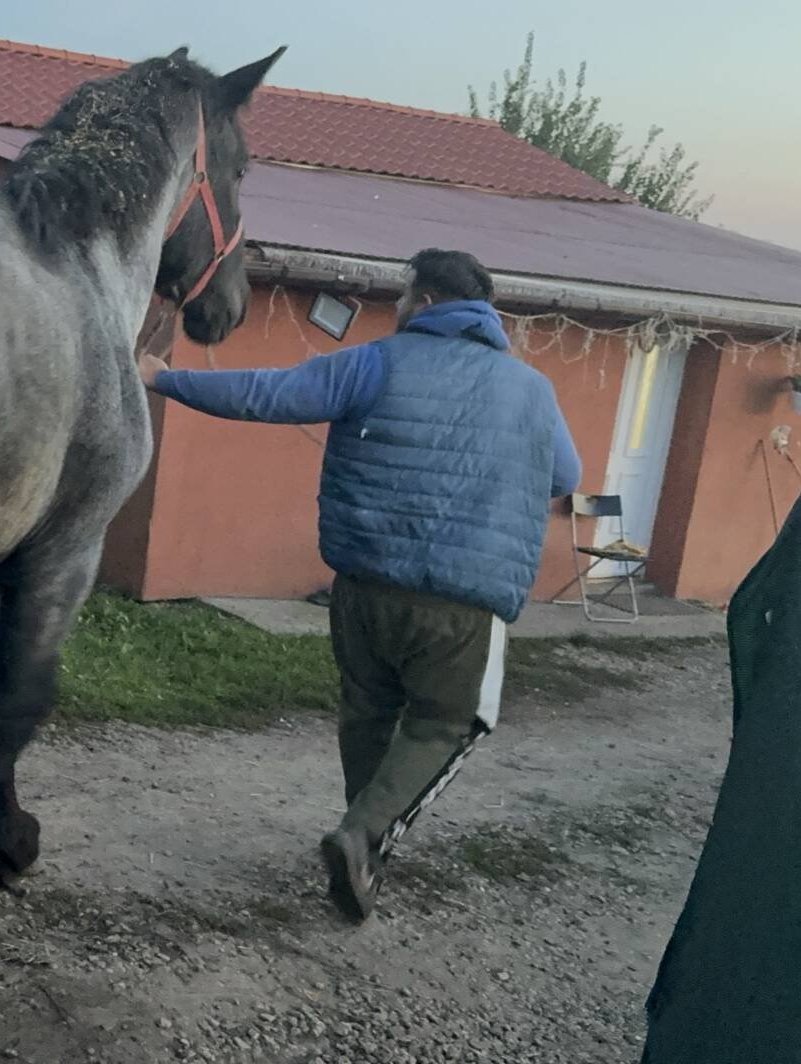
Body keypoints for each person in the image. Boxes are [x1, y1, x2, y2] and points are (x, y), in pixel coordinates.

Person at [140, 249, 580, 922]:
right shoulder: (532, 390)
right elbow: (565, 477)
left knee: (369, 709)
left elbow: (269, 395)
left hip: (364, 587)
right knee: (447, 722)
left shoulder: (374, 363)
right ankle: (361, 835)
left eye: (405, 296)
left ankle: (360, 851)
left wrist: (166, 381)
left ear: (426, 302)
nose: (399, 308)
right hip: (464, 603)